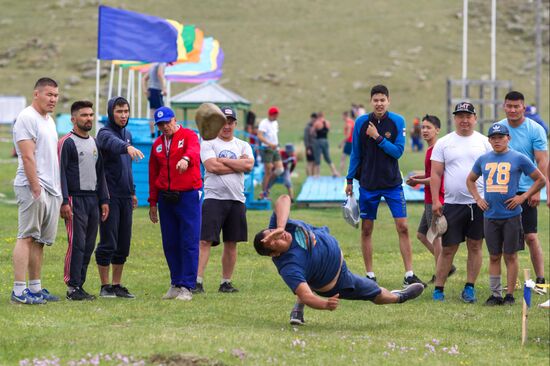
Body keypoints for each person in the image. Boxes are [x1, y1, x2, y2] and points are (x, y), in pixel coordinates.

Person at [253, 195, 425, 325]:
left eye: (273, 233)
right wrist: (325, 304)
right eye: (275, 241)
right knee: (374, 292)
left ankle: (297, 309)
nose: (279, 236)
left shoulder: (280, 228)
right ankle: (399, 297)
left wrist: (279, 228)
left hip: (322, 241)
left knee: (304, 278)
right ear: (274, 254)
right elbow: (306, 294)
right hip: (338, 280)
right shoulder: (289, 266)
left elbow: (284, 198)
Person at [346, 84, 425, 286]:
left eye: (383, 100)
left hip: (392, 184)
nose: (379, 103)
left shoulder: (398, 121)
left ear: (388, 101)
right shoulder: (361, 122)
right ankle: (370, 275)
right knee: (366, 229)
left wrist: (378, 137)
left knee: (403, 226)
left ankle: (409, 274)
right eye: (376, 100)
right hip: (368, 184)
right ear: (371, 102)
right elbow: (355, 153)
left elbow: (397, 152)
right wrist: (349, 180)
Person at [466, 123, 546, 306]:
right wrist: (478, 198)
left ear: (508, 138)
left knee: (510, 255)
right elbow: (470, 179)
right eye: (493, 138)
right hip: (490, 215)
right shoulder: (483, 159)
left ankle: (509, 295)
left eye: (500, 137)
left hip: (511, 215)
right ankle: (495, 294)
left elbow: (540, 179)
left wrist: (523, 196)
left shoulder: (518, 158)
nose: (497, 141)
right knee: (494, 255)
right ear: (489, 140)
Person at [430, 102, 492, 303]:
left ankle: (470, 287)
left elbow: (492, 172)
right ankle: (439, 288)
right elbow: (436, 173)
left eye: (468, 116)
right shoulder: (444, 143)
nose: (464, 120)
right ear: (454, 119)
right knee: (448, 248)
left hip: (478, 204)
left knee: (475, 246)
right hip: (452, 204)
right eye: (460, 116)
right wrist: (436, 201)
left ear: (475, 118)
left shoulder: (484, 142)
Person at [11, 77, 62, 304]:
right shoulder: (26, 117)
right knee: (27, 236)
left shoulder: (49, 121)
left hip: (50, 188)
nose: (53, 99)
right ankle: (19, 291)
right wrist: (36, 188)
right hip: (33, 187)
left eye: (56, 95)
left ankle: (35, 288)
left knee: (40, 240)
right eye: (49, 94)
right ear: (36, 94)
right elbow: (27, 156)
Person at [195, 106, 254, 294]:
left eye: (230, 122)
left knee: (232, 242)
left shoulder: (243, 145)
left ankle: (226, 282)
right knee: (205, 241)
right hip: (214, 199)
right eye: (223, 121)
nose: (227, 126)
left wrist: (224, 161)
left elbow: (249, 165)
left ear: (235, 124)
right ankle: (197, 281)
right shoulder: (208, 142)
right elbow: (212, 167)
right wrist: (238, 164)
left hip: (237, 200)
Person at [497, 91, 549, 295]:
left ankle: (541, 280)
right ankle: (513, 282)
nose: (512, 110)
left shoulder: (535, 129)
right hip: (503, 190)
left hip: (528, 189)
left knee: (531, 236)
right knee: (505, 238)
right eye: (509, 106)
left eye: (516, 106)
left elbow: (542, 161)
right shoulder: (499, 127)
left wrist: (537, 190)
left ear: (523, 108)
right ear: (504, 106)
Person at [148, 106, 202, 301]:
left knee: (188, 240)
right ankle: (175, 282)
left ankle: (187, 286)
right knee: (170, 242)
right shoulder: (157, 145)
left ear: (174, 120)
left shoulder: (189, 136)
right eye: (161, 124)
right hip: (165, 198)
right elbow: (153, 173)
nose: (165, 127)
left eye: (167, 122)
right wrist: (153, 202)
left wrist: (186, 159)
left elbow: (194, 152)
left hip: (188, 195)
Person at [58, 101, 110, 301]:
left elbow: (101, 173)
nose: (88, 118)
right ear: (73, 119)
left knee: (88, 244)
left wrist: (104, 199)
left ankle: (80, 285)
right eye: (84, 115)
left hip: (93, 200)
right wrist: (64, 201)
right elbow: (60, 173)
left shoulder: (95, 142)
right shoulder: (67, 142)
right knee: (77, 243)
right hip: (74, 199)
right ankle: (72, 287)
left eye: (90, 115)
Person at [96, 97, 144, 299]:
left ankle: (117, 284)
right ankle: (104, 285)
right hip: (109, 196)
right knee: (108, 241)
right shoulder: (104, 133)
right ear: (110, 113)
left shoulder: (128, 134)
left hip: (125, 196)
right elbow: (113, 144)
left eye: (126, 111)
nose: (123, 115)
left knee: (123, 244)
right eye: (119, 111)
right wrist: (127, 147)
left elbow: (128, 167)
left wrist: (132, 192)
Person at [406, 115, 456, 283]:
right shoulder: (430, 149)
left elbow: (437, 178)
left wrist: (417, 181)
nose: (425, 130)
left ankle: (440, 274)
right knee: (422, 235)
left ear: (437, 130)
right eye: (423, 127)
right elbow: (431, 174)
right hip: (429, 198)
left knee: (435, 238)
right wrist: (418, 176)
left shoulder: (436, 149)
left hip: (435, 199)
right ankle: (447, 266)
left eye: (428, 127)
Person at [257, 106, 283, 199]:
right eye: (275, 115)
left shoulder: (275, 123)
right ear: (271, 115)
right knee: (267, 171)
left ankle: (267, 187)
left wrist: (276, 145)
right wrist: (269, 144)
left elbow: (274, 136)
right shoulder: (264, 123)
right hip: (267, 149)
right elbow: (259, 136)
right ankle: (264, 193)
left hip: (275, 148)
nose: (277, 116)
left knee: (280, 170)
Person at [142, 62, 167, 139]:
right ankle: (159, 133)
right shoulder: (161, 63)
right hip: (156, 90)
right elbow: (160, 74)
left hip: (151, 90)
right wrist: (164, 88)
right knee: (160, 112)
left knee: (152, 112)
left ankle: (153, 134)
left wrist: (145, 90)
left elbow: (144, 79)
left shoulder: (153, 64)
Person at [311, 112, 339, 177]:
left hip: (318, 141)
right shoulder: (327, 122)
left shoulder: (317, 123)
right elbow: (328, 131)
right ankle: (334, 171)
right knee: (327, 157)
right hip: (325, 140)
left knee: (317, 157)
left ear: (318, 116)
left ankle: (317, 174)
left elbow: (312, 132)